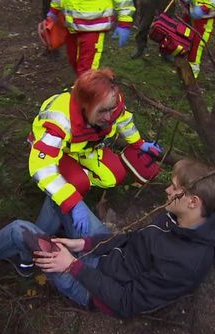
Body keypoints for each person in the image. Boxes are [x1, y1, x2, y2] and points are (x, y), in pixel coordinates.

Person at [0, 158, 215, 317]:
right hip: (105, 253)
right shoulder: (178, 218)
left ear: (193, 202)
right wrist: (84, 244)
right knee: (60, 197)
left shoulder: (186, 263)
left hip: (96, 290)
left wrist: (72, 265)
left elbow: (127, 303)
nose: (168, 191)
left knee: (18, 229)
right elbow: (132, 238)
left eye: (174, 187)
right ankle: (28, 259)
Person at [28, 68, 162, 236]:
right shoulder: (59, 122)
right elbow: (41, 167)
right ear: (84, 106)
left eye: (110, 109)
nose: (108, 117)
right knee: (78, 183)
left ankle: (74, 182)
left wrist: (138, 143)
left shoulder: (110, 101)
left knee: (115, 176)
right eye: (102, 111)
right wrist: (73, 201)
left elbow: (123, 120)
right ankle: (59, 205)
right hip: (60, 153)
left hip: (86, 149)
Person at [46, 0, 136, 76]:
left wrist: (124, 22)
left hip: (94, 27)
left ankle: (86, 92)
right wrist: (54, 10)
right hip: (72, 26)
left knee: (87, 70)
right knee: (74, 61)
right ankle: (83, 88)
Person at [180, 0, 215, 78]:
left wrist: (203, 8)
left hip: (205, 19)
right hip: (189, 13)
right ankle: (176, 60)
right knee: (180, 37)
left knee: (197, 45)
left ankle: (192, 73)